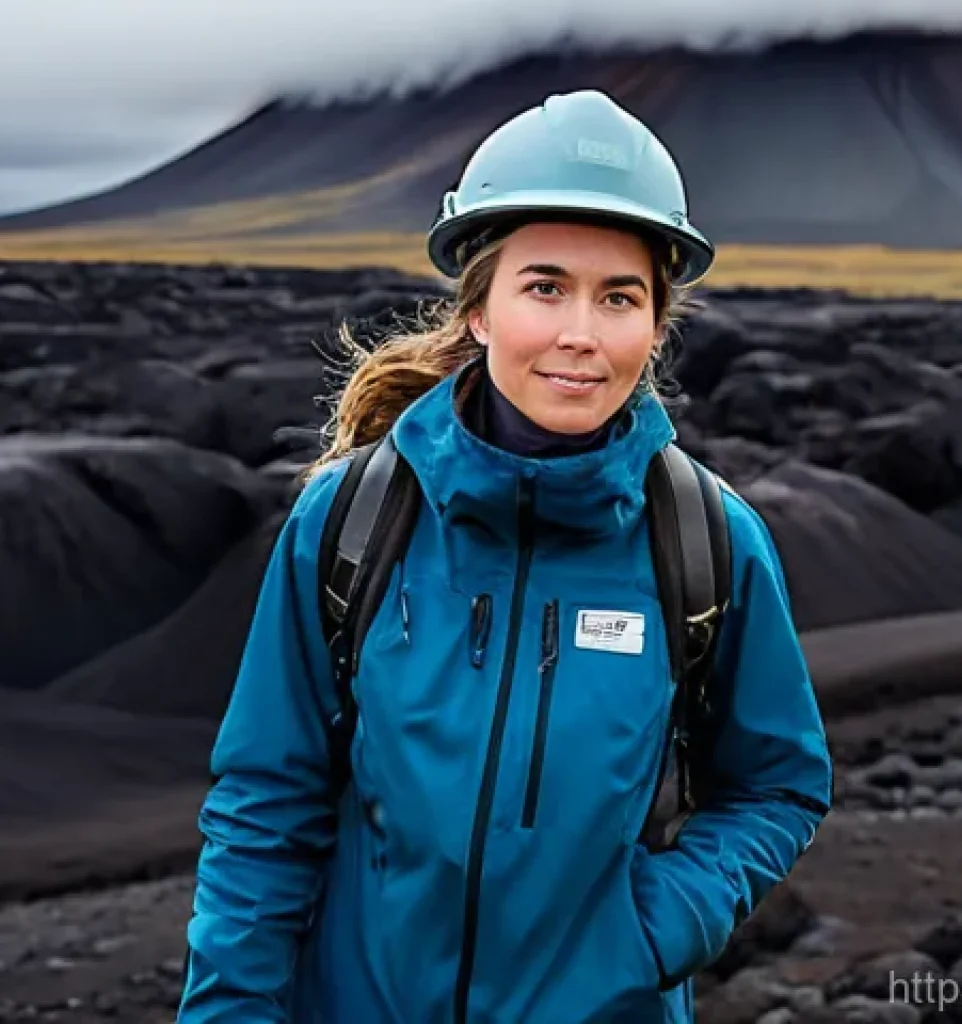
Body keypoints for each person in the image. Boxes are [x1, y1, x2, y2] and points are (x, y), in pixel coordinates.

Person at [177, 89, 832, 1023]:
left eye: (620, 297)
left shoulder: (707, 539)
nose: (581, 333)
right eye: (544, 286)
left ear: (655, 328)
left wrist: (657, 926)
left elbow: (780, 782)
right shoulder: (354, 518)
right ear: (478, 310)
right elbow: (265, 803)